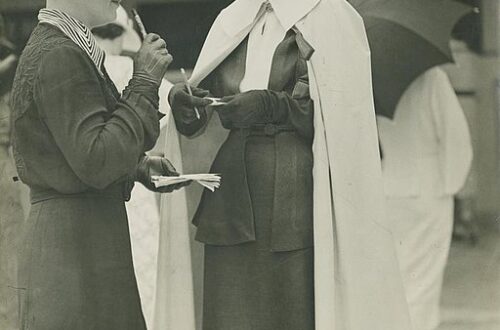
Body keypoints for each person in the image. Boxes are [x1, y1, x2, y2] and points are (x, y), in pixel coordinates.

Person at [156, 0, 412, 329]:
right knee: (230, 312)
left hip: (294, 195)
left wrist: (273, 106)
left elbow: (341, 116)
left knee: (290, 313)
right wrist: (185, 100)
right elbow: (200, 113)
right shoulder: (234, 18)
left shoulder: (332, 16)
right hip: (232, 192)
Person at [10, 0, 186, 328]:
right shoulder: (60, 53)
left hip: (79, 247)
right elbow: (98, 161)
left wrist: (135, 166)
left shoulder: (63, 45)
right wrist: (145, 81)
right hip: (74, 258)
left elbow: (67, 153)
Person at [92, 7, 173, 328]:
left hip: (113, 173)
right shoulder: (127, 66)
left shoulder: (95, 69)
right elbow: (166, 104)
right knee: (143, 259)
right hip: (134, 167)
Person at [377, 66, 473, 330]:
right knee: (422, 285)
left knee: (394, 282)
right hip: (429, 191)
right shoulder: (432, 78)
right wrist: (452, 184)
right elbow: (456, 137)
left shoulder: (375, 77)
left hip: (390, 189)